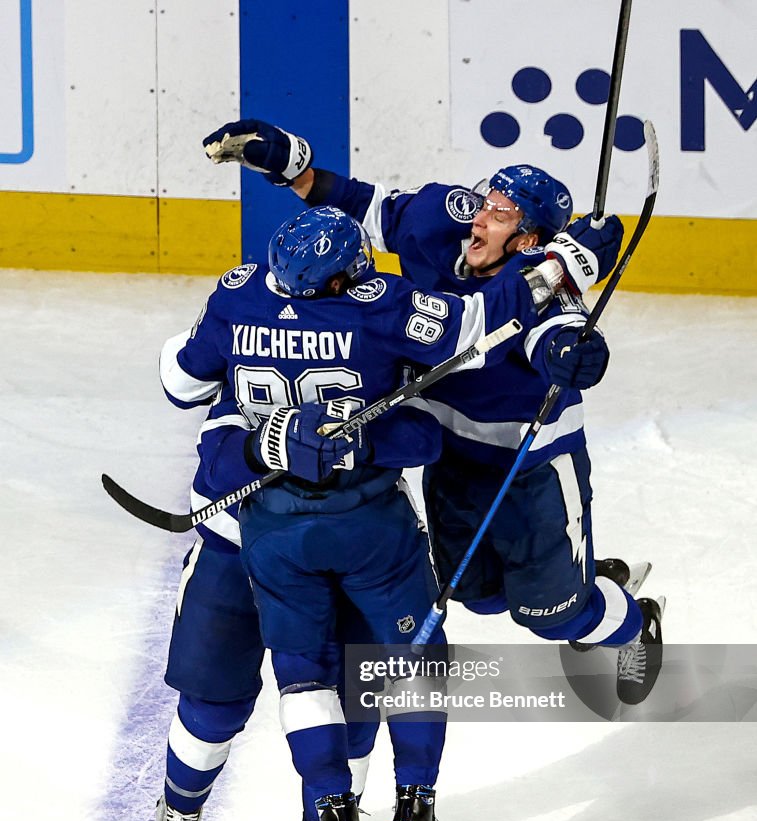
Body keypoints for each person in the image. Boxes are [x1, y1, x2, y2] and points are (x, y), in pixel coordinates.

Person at [148, 204, 574, 821]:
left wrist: (264, 443)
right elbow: (472, 329)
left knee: (337, 695)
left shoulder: (239, 292)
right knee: (237, 700)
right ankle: (188, 815)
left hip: (263, 520)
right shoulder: (387, 308)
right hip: (278, 533)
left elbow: (182, 387)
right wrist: (561, 265)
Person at [203, 118, 663, 704]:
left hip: (530, 467)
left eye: (500, 215)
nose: (479, 217)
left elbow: (556, 337)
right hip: (451, 456)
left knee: (553, 614)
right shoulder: (443, 221)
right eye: (486, 202)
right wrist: (293, 170)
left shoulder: (549, 291)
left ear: (528, 242)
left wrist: (574, 357)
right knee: (478, 592)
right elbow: (365, 207)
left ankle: (632, 621)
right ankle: (586, 579)